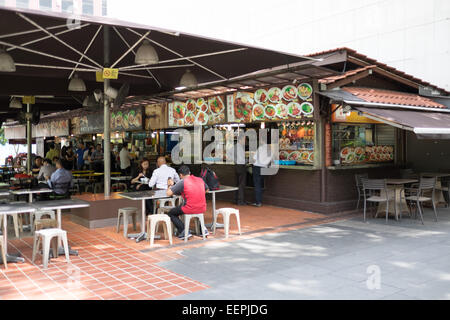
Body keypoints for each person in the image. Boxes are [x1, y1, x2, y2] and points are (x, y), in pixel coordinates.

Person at [166, 165, 209, 239]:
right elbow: (207, 190)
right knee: (197, 211)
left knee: (171, 213)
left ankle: (184, 231)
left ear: (181, 175)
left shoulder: (183, 181)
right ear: (189, 172)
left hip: (190, 208)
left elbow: (168, 193)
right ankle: (203, 230)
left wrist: (170, 185)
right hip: (202, 207)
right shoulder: (200, 179)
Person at [234, 132, 247, 205]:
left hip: (236, 166)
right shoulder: (240, 147)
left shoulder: (235, 146)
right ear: (241, 139)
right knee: (241, 184)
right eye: (244, 139)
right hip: (241, 166)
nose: (245, 141)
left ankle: (237, 199)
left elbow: (230, 154)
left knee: (237, 183)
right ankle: (240, 201)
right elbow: (242, 159)